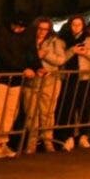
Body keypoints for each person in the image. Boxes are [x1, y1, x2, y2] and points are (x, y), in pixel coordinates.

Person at [0, 15, 30, 158]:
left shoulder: (21, 36)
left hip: (15, 78)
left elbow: (26, 53)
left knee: (10, 112)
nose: (18, 29)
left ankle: (3, 141)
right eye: (17, 26)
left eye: (22, 27)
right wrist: (22, 68)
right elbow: (3, 55)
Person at [57, 15, 90, 150]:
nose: (76, 27)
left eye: (79, 24)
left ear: (83, 25)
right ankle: (69, 136)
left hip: (84, 77)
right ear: (70, 25)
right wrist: (72, 51)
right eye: (74, 24)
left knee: (83, 107)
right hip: (68, 78)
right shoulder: (63, 40)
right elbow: (61, 59)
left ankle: (83, 135)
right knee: (68, 107)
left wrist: (85, 52)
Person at [24, 17, 67, 153]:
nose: (42, 32)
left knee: (47, 112)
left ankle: (48, 141)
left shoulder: (55, 42)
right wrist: (36, 58)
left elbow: (61, 59)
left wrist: (45, 55)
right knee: (31, 113)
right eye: (40, 28)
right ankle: (31, 143)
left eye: (45, 29)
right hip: (31, 81)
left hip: (50, 81)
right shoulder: (27, 41)